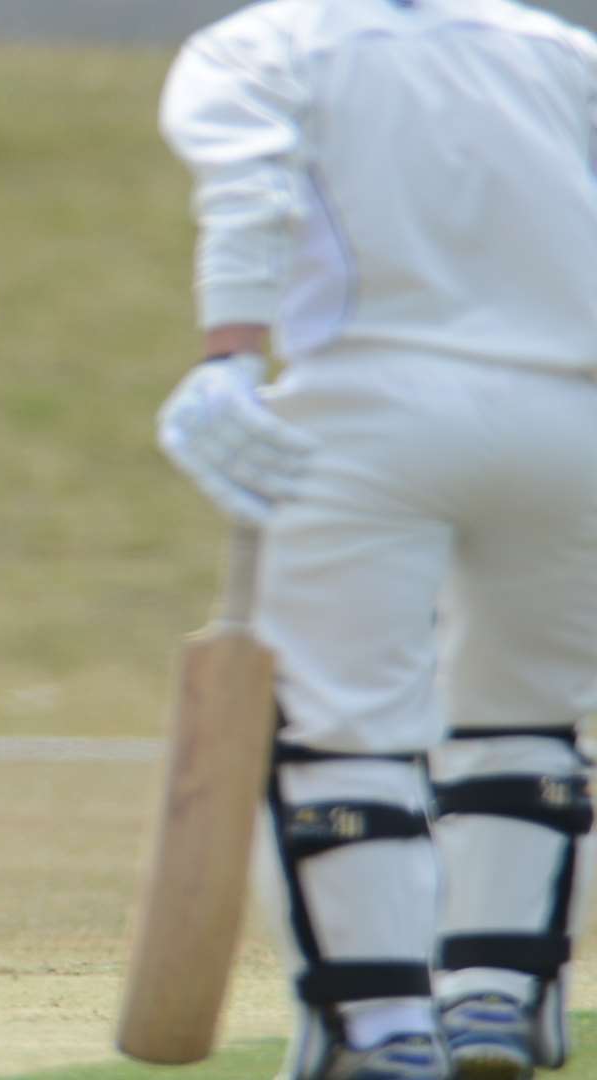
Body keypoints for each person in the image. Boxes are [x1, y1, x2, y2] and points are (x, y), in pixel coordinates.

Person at [155, 2, 597, 1077]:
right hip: (570, 415)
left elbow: (252, 192)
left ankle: (381, 1025)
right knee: (530, 713)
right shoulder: (563, 50)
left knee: (341, 725)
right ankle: (498, 994)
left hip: (366, 408)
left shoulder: (263, 43)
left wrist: (229, 355)